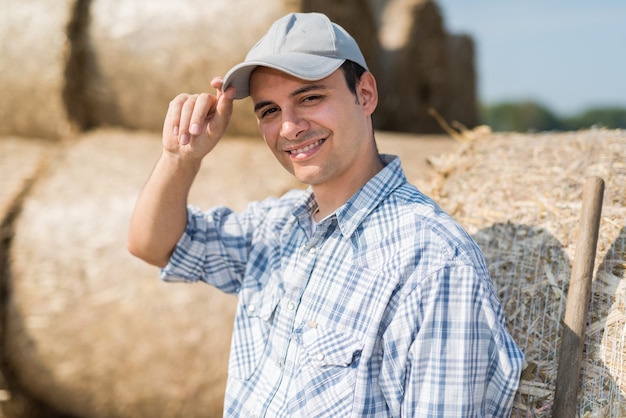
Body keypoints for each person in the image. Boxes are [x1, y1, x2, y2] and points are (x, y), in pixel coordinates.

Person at [128, 12, 524, 417]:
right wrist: (180, 157)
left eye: (310, 98)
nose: (289, 127)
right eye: (269, 111)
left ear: (365, 93)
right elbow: (156, 245)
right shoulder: (277, 227)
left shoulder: (433, 263)